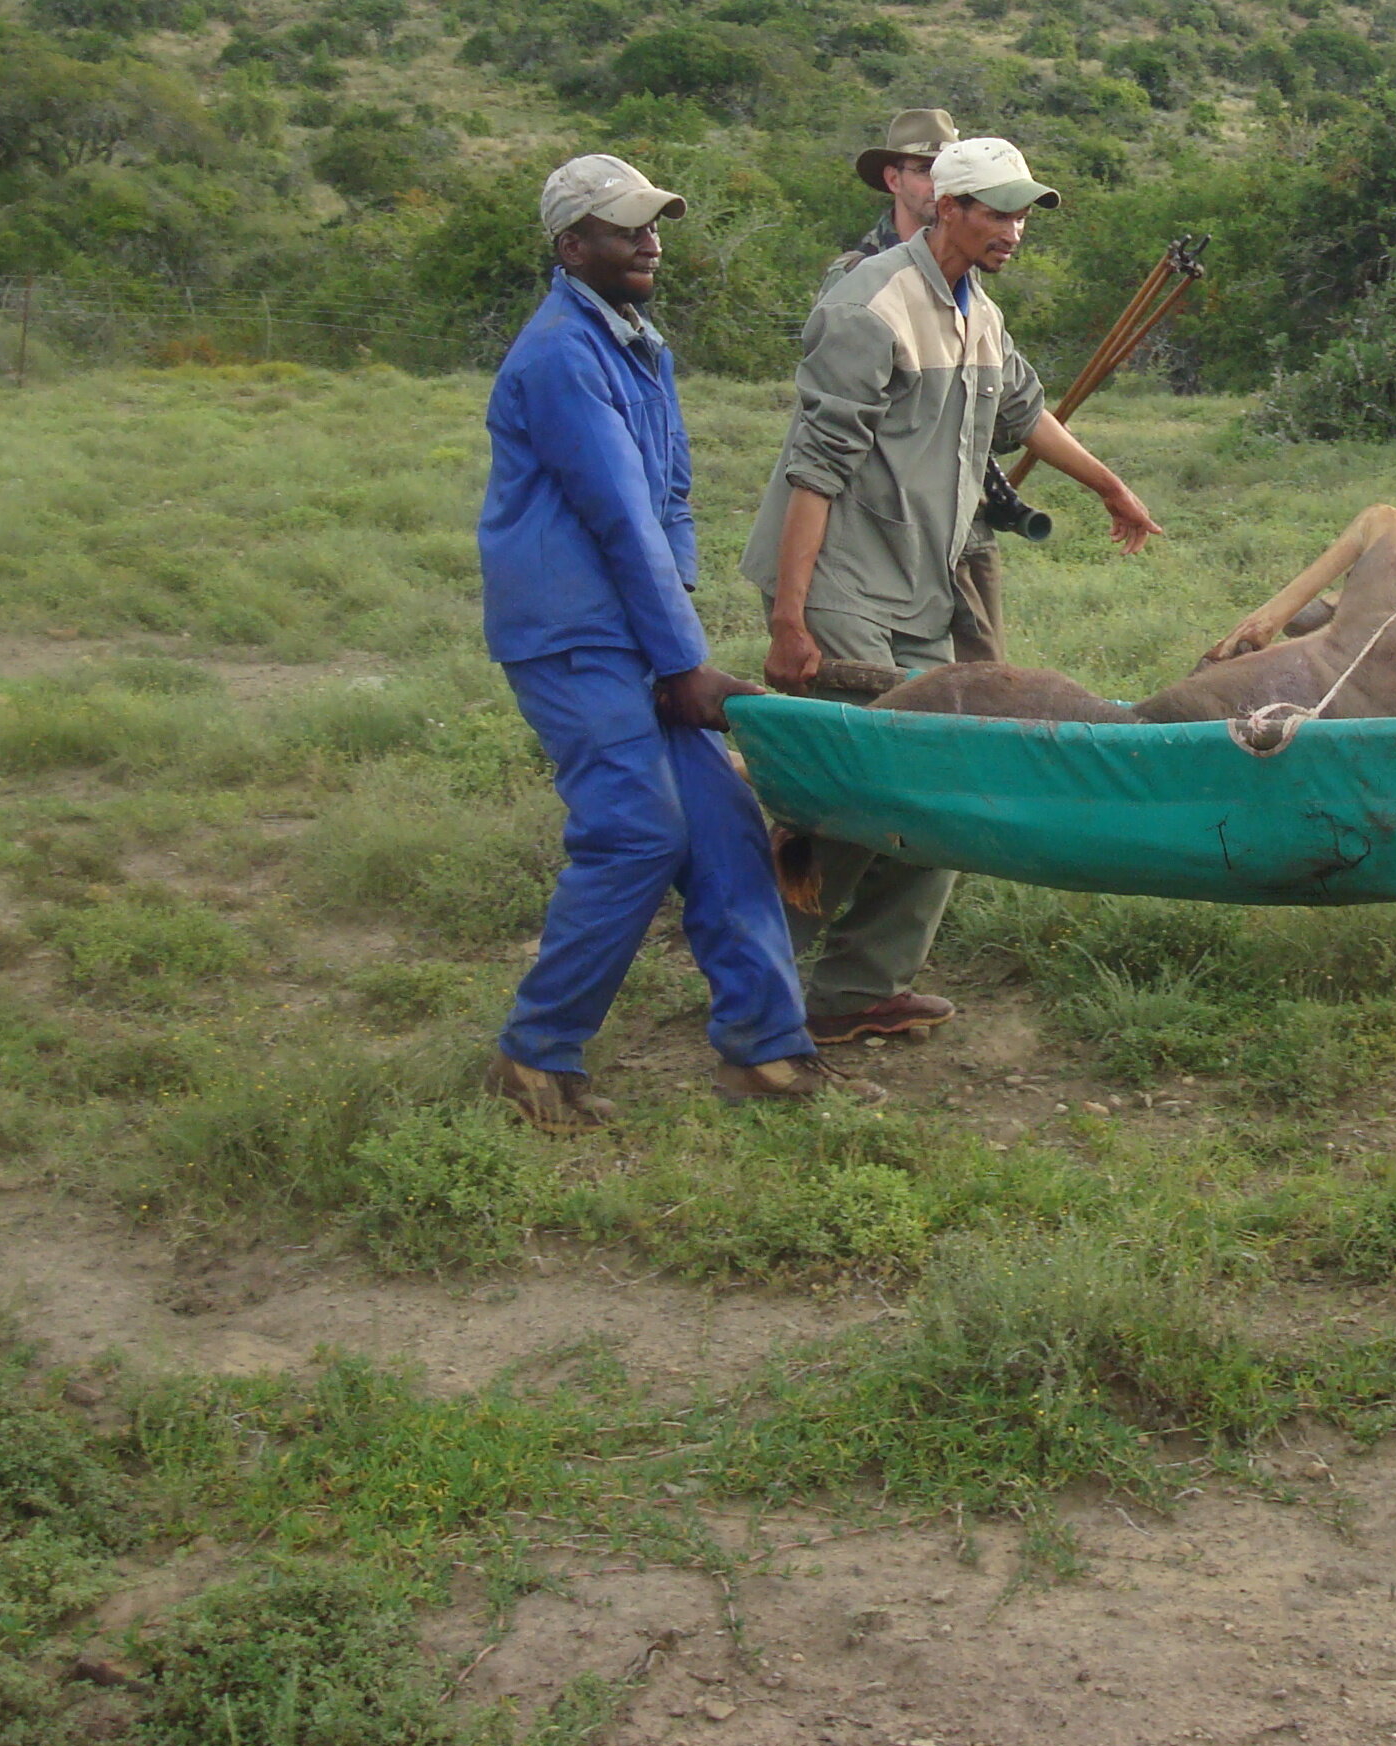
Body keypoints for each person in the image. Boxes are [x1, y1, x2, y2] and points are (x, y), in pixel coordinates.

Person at [741, 135, 1161, 1048]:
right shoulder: (870, 305)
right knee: (850, 788)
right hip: (843, 579)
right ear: (947, 207)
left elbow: (1024, 413)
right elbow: (814, 472)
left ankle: (857, 992)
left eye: (1022, 212)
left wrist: (1108, 486)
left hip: (922, 581)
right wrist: (789, 615)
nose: (1014, 228)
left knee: (941, 788)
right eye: (997, 210)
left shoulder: (980, 313)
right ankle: (751, 981)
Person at [478, 154, 872, 1121]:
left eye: (654, 223)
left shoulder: (635, 341)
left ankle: (766, 1051)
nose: (650, 240)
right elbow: (617, 516)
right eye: (624, 227)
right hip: (571, 635)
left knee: (726, 826)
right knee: (635, 833)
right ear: (572, 247)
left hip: (633, 629)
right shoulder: (566, 355)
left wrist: (672, 641)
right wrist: (684, 661)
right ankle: (536, 1057)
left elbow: (671, 498)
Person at [821, 110, 1005, 664]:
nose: (935, 180)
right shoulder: (859, 278)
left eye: (946, 167)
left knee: (987, 680)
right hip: (881, 528)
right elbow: (832, 437)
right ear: (893, 179)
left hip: (961, 516)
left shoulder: (970, 274)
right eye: (923, 168)